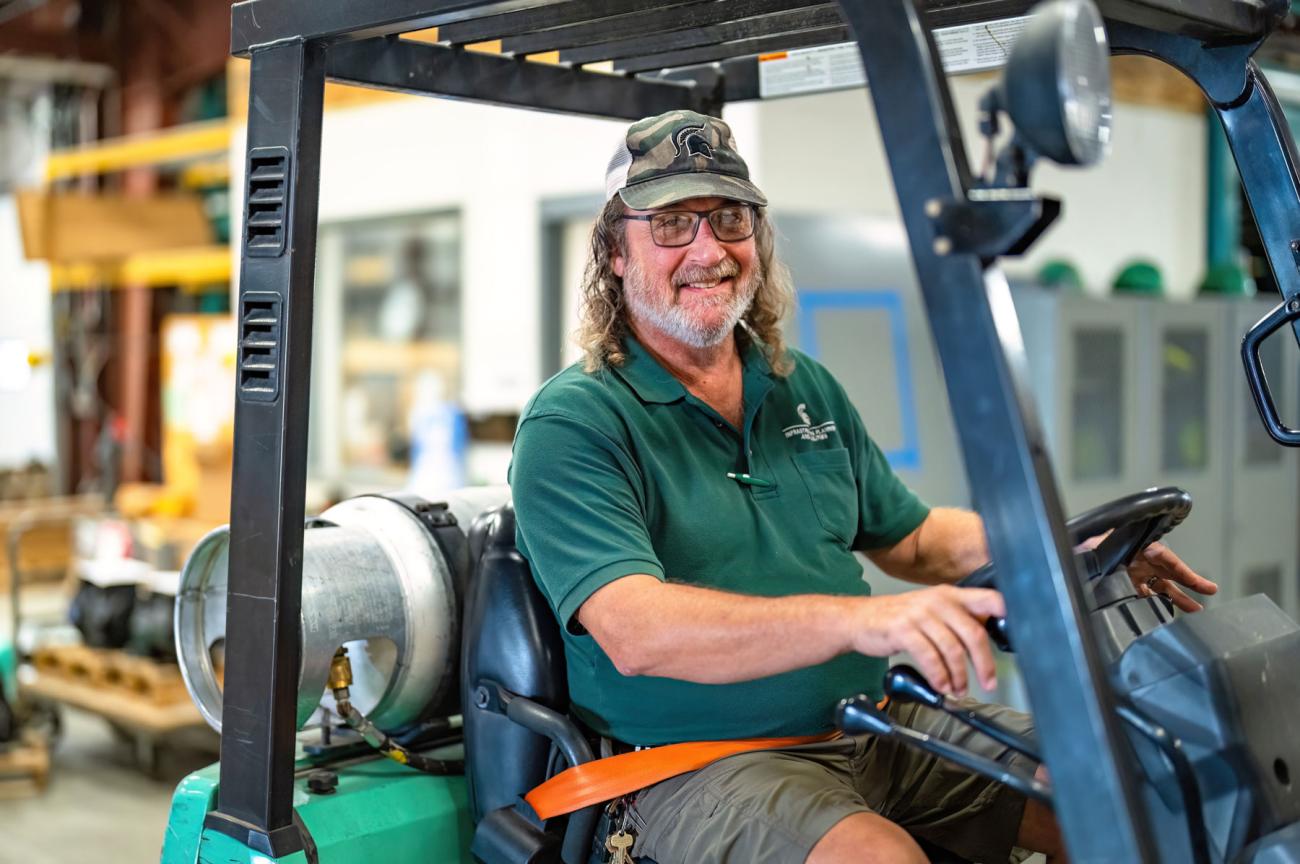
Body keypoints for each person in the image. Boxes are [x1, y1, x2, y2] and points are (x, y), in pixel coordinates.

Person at [508, 110, 1216, 864]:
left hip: (873, 722)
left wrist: (1072, 550)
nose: (709, 249)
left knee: (1125, 789)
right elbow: (637, 632)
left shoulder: (796, 385)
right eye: (673, 224)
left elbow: (911, 538)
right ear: (615, 252)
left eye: (730, 218)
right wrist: (860, 623)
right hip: (696, 762)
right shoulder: (575, 422)